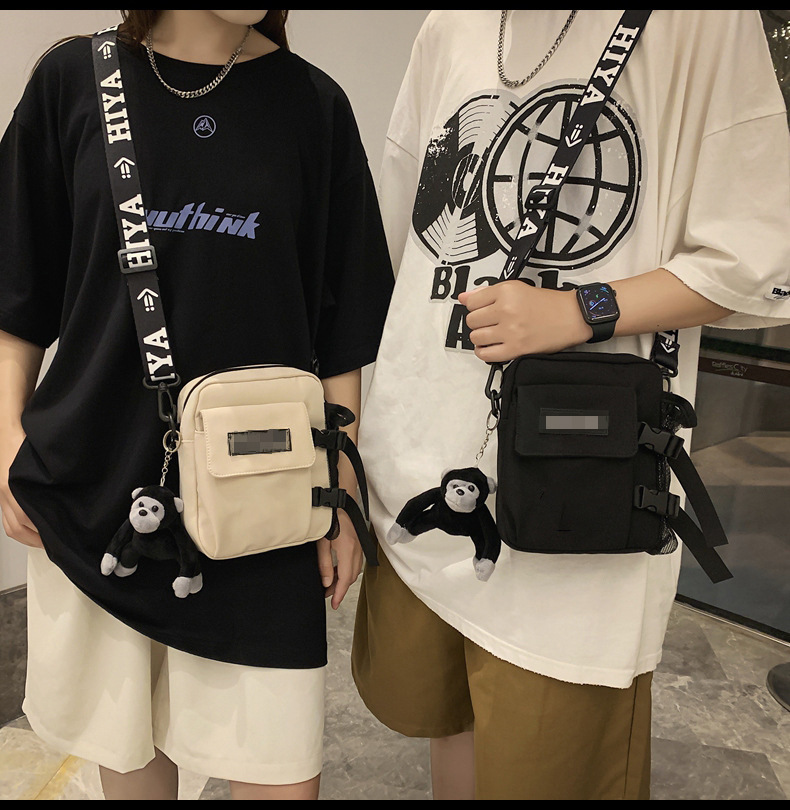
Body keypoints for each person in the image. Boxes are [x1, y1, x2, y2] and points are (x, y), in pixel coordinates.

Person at [351, 9, 790, 801]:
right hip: (420, 458)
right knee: (451, 719)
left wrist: (583, 308)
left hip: (576, 492)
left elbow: (752, 257)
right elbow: (401, 237)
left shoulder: (702, 23)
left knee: (552, 751)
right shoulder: (449, 26)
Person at [0, 9, 393, 801]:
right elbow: (18, 290)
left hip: (267, 496)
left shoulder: (313, 106)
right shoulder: (74, 82)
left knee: (278, 766)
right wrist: (6, 436)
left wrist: (341, 492)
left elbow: (341, 330)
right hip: (101, 489)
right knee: (129, 747)